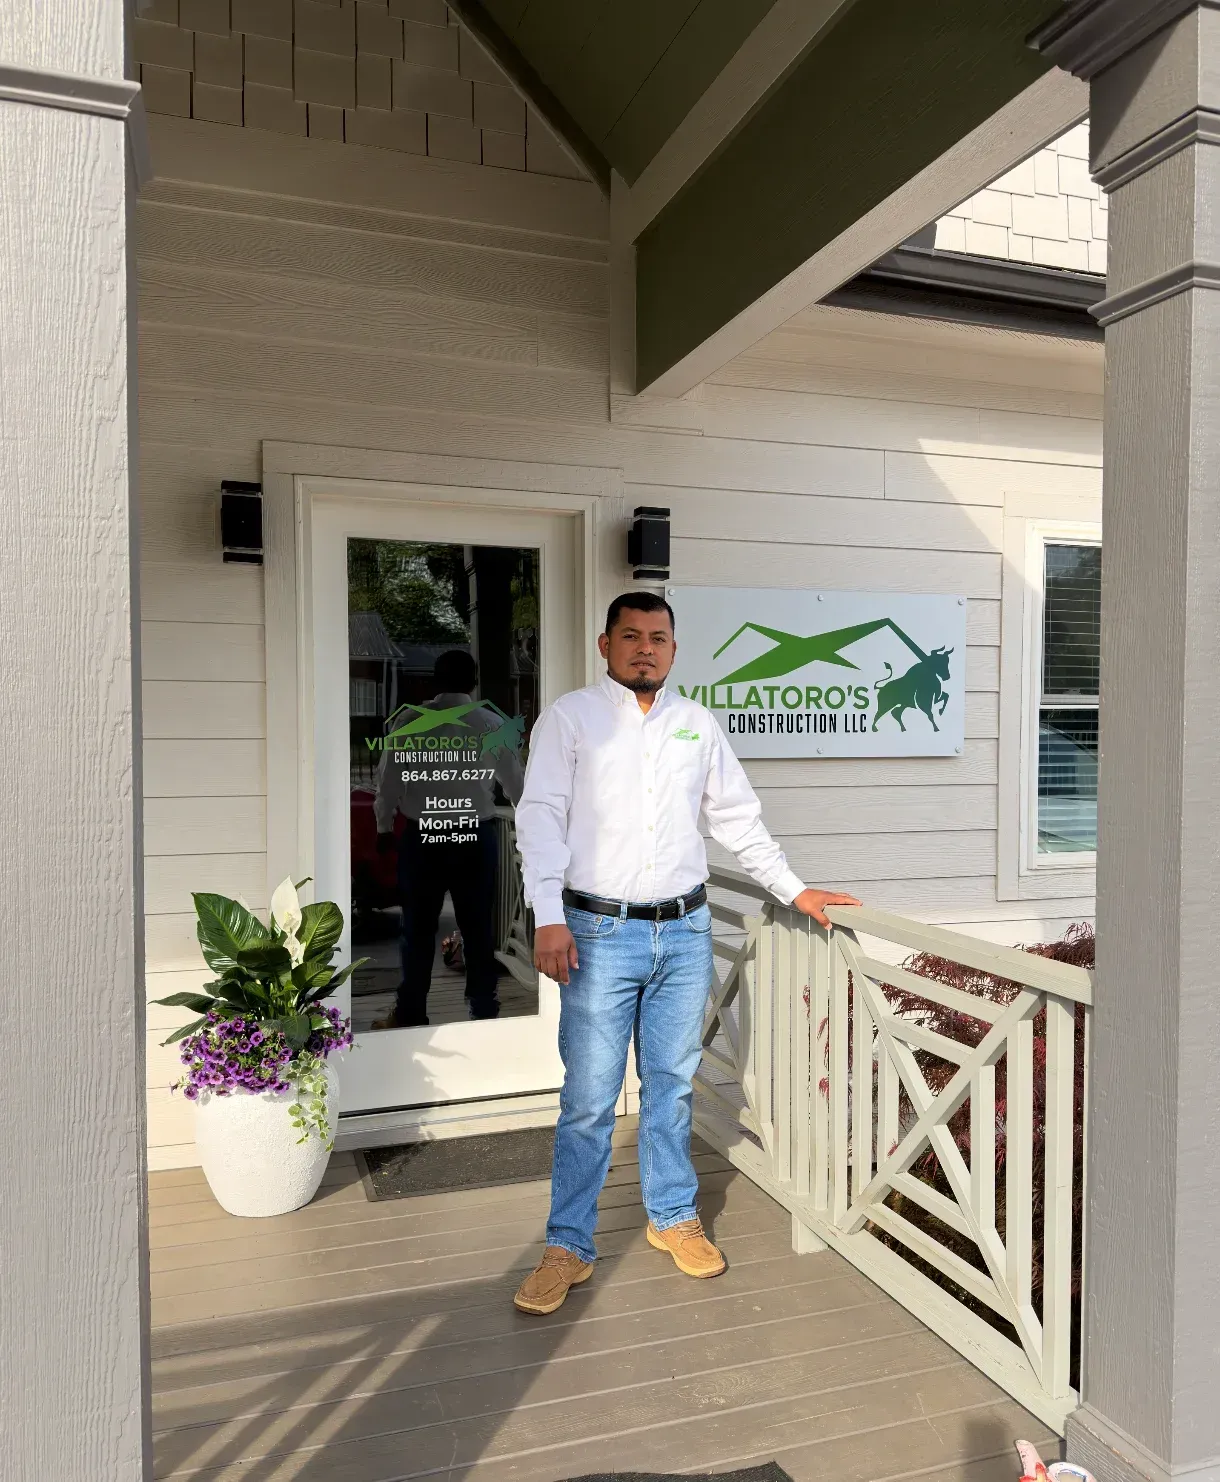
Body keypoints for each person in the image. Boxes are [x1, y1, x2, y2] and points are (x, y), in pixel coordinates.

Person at [511, 593, 860, 1314]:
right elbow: (540, 816)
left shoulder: (697, 725)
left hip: (686, 932)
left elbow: (737, 819)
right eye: (631, 636)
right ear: (604, 644)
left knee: (671, 1087)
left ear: (674, 649)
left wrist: (794, 890)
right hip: (599, 935)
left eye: (659, 638)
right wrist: (548, 915)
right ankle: (568, 1246)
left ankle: (673, 1218)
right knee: (589, 1100)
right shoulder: (570, 719)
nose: (645, 648)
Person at [373, 649, 525, 1027]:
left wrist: (383, 829)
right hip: (475, 837)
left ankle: (411, 1012)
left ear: (434, 681)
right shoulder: (491, 725)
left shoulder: (409, 722)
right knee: (477, 928)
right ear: (473, 681)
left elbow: (388, 786)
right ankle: (484, 1009)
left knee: (418, 931)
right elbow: (518, 788)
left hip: (423, 838)